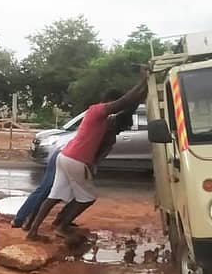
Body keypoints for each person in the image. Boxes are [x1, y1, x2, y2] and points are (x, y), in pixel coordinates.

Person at [27, 69, 149, 240]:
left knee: (54, 195)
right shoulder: (97, 111)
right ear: (109, 102)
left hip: (65, 157)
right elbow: (125, 102)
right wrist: (144, 81)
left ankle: (33, 231)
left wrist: (145, 88)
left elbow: (128, 108)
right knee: (88, 198)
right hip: (76, 159)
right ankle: (61, 226)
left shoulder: (104, 122)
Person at [13, 90, 126, 230]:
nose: (120, 132)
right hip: (65, 155)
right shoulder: (101, 120)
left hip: (74, 159)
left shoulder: (109, 136)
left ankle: (60, 220)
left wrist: (91, 167)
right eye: (121, 128)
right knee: (47, 190)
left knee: (67, 193)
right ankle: (22, 220)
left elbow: (97, 156)